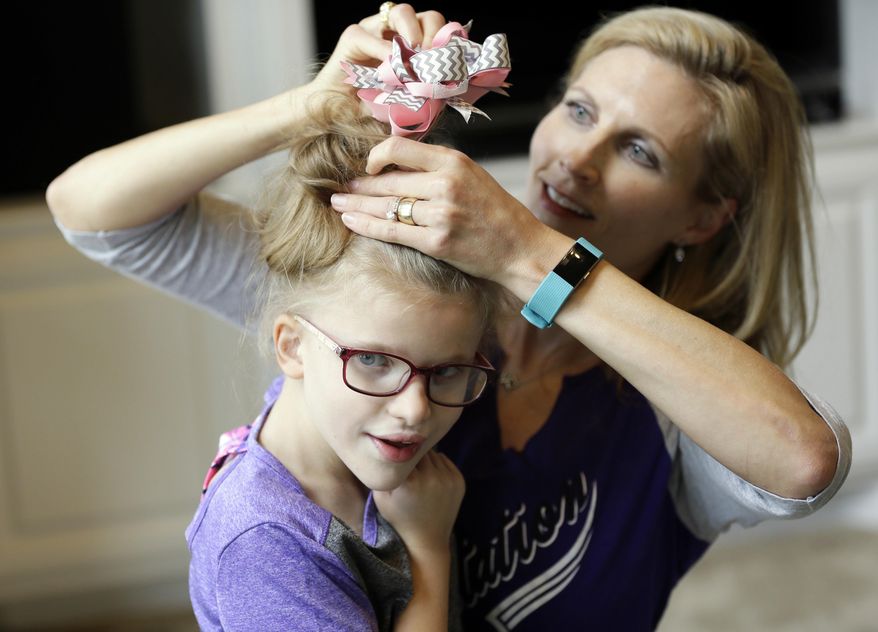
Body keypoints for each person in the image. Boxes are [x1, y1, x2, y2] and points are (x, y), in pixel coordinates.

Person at [46, 4, 851, 631]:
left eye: (640, 151)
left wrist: (531, 255)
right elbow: (93, 211)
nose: (576, 158)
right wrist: (312, 105)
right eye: (577, 109)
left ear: (703, 218)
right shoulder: (394, 301)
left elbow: (803, 458)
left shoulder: (681, 408)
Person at [46, 19, 505, 631]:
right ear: (290, 346)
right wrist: (428, 552)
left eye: (447, 371)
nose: (415, 411)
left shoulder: (342, 410)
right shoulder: (262, 544)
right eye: (373, 361)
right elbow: (84, 203)